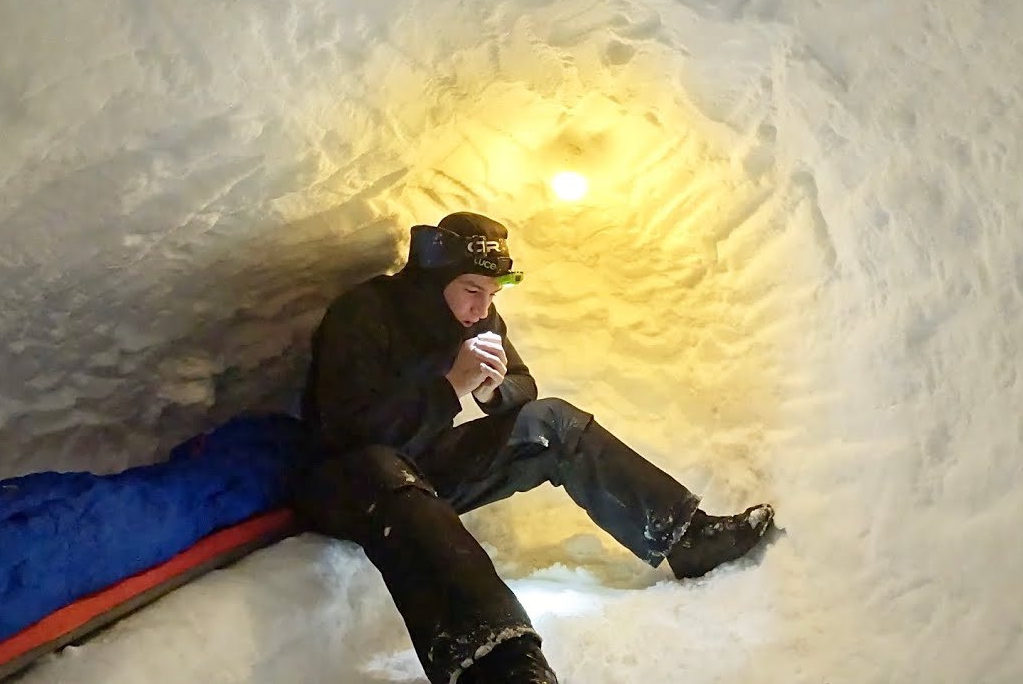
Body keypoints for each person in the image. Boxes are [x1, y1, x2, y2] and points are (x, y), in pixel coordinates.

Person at [292, 212, 775, 684]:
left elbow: (524, 386)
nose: (482, 310)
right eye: (472, 292)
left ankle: (685, 536)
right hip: (350, 483)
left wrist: (492, 391)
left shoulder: (478, 320)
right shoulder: (365, 312)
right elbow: (348, 430)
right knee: (383, 468)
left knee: (552, 421)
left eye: (493, 295)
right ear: (433, 280)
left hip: (426, 465)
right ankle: (499, 663)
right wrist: (450, 387)